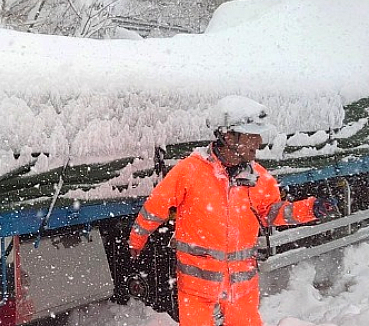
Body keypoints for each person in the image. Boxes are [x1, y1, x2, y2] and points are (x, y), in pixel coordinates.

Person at [128, 95, 339, 326]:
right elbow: (153, 209)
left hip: (241, 285)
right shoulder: (189, 171)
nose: (258, 141)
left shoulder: (257, 177)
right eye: (251, 134)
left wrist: (310, 209)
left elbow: (272, 213)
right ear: (228, 136)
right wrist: (136, 242)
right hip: (197, 287)